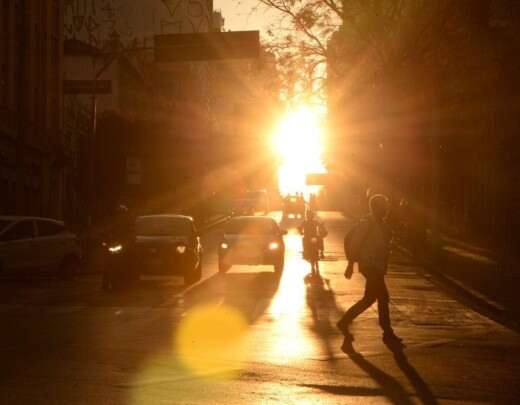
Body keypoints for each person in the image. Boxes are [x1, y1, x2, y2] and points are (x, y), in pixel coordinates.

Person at [338, 194, 402, 344]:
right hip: (369, 266)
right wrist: (350, 264)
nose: (386, 209)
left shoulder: (383, 225)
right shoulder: (366, 223)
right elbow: (355, 244)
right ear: (376, 207)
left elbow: (383, 245)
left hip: (378, 267)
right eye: (383, 206)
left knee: (369, 299)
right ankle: (387, 332)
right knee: (383, 297)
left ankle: (344, 321)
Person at [102, 204, 134, 291]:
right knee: (107, 264)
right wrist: (105, 242)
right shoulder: (111, 222)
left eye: (122, 213)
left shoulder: (128, 223)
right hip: (112, 245)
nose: (120, 215)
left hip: (123, 246)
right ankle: (105, 284)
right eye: (118, 213)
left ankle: (128, 280)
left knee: (128, 260)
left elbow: (130, 234)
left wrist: (127, 242)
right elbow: (106, 232)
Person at [299, 210, 327, 277]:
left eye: (310, 215)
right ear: (307, 216)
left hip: (314, 237)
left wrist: (322, 228)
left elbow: (320, 226)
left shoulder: (315, 222)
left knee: (320, 239)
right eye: (308, 215)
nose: (309, 216)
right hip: (307, 238)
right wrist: (300, 231)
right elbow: (300, 228)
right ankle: (305, 252)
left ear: (312, 215)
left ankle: (322, 252)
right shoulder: (304, 222)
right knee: (304, 241)